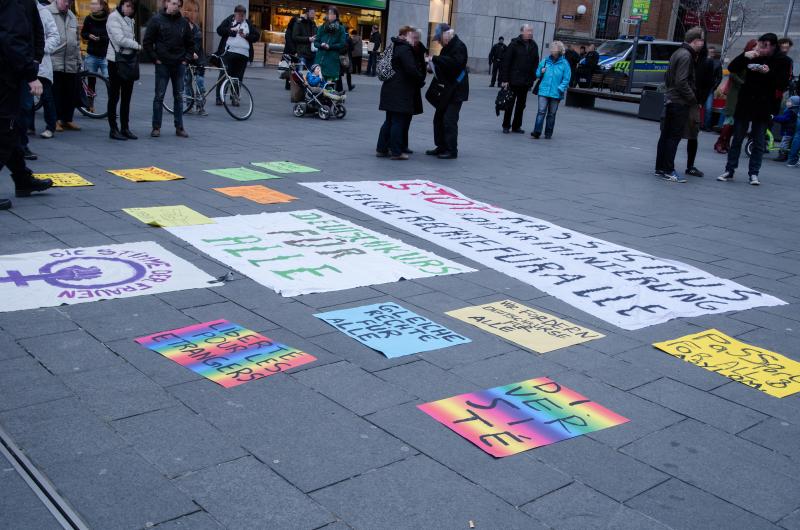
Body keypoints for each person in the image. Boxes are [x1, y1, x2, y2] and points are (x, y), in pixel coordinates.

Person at [718, 32, 791, 185]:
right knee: (737, 138)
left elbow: (783, 84)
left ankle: (754, 173)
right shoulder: (753, 55)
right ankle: (729, 170)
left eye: (763, 45)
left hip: (765, 105)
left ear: (771, 46)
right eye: (759, 44)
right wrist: (745, 55)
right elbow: (732, 68)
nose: (760, 48)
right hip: (746, 102)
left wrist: (768, 72)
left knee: (758, 141)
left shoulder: (782, 60)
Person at [0, 0, 52, 210]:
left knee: (14, 127)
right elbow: (12, 36)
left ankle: (22, 179)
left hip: (13, 70)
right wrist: (30, 73)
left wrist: (35, 59)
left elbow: (32, 28)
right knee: (6, 128)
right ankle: (22, 179)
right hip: (7, 73)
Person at [654, 27, 704, 183]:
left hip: (671, 99)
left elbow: (668, 77)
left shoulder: (677, 52)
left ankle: (660, 168)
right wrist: (692, 99)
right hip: (679, 101)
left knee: (666, 135)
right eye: (702, 40)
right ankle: (668, 169)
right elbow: (681, 81)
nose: (703, 43)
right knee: (673, 137)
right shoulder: (686, 55)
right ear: (695, 41)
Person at [143, 0, 193, 138]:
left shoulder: (183, 22)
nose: (174, 5)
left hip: (179, 64)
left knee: (178, 97)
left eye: (177, 3)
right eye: (172, 2)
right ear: (166, 4)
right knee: (159, 96)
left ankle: (179, 127)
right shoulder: (156, 20)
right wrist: (155, 59)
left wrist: (185, 60)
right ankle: (156, 127)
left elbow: (190, 43)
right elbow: (147, 42)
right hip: (163, 64)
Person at [376, 26, 425, 160]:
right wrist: (420, 79)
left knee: (389, 121)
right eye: (412, 36)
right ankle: (396, 152)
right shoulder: (404, 49)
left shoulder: (395, 46)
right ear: (404, 35)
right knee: (398, 122)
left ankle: (381, 149)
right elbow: (411, 69)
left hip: (390, 89)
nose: (414, 39)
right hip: (400, 91)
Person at [425, 24, 468, 159]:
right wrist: (432, 67)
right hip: (446, 89)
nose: (438, 42)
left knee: (449, 120)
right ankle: (441, 146)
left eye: (439, 39)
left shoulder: (459, 46)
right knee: (438, 118)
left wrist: (435, 59)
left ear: (446, 35)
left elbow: (455, 64)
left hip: (456, 90)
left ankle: (451, 150)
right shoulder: (447, 48)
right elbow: (444, 65)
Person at [714, 39, 757, 153]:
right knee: (730, 119)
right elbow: (732, 73)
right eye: (754, 47)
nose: (755, 50)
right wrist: (744, 84)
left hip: (745, 95)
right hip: (735, 93)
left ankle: (726, 142)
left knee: (735, 121)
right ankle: (720, 142)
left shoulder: (756, 60)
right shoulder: (742, 58)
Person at [106, 0, 140, 140]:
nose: (129, 9)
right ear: (121, 5)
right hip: (115, 61)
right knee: (114, 96)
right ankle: (113, 129)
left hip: (128, 61)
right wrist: (137, 45)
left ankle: (125, 128)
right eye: (127, 6)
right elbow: (119, 39)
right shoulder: (114, 17)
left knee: (127, 97)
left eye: (132, 7)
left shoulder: (129, 20)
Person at [214, 5, 259, 106]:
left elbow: (256, 36)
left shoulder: (248, 23)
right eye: (239, 15)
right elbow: (219, 30)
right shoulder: (229, 20)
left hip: (243, 55)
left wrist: (246, 36)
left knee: (238, 77)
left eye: (243, 16)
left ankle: (235, 97)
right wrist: (231, 30)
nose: (241, 18)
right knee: (224, 75)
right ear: (235, 14)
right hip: (228, 53)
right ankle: (219, 97)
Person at [499, 25, 538, 134]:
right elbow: (506, 62)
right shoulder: (514, 44)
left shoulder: (534, 45)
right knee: (509, 104)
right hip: (513, 80)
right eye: (528, 31)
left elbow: (536, 62)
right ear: (522, 32)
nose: (530, 33)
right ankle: (506, 125)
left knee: (521, 105)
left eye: (531, 31)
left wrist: (533, 76)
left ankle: (516, 126)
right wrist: (505, 79)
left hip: (525, 81)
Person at [49, 0, 81, 132]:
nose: (67, 4)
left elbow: (77, 40)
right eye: (65, 1)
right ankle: (55, 120)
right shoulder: (47, 13)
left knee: (70, 93)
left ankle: (67, 119)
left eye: (70, 1)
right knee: (55, 93)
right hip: (54, 59)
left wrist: (79, 59)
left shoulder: (72, 15)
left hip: (70, 60)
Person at [18, 0, 44, 160]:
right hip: (11, 65)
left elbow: (38, 29)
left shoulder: (28, 3)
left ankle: (22, 145)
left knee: (25, 106)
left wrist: (37, 57)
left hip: (25, 64)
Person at [531, 41, 571, 140]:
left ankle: (548, 133)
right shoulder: (545, 61)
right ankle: (537, 131)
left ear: (559, 51)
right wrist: (541, 71)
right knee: (541, 111)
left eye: (554, 49)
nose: (552, 50)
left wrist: (560, 88)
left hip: (556, 92)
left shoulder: (564, 63)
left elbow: (567, 78)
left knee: (551, 114)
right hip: (543, 91)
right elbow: (537, 74)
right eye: (552, 48)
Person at [33, 0, 60, 140]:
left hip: (42, 63)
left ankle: (50, 126)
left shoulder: (44, 12)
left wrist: (41, 49)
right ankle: (29, 126)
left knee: (47, 96)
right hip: (25, 62)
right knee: (26, 98)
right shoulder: (20, 10)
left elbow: (55, 36)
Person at [683, 45, 711, 178]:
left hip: (695, 101)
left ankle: (690, 165)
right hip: (683, 99)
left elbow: (708, 84)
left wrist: (700, 101)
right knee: (676, 133)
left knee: (693, 134)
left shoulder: (705, 63)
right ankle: (667, 163)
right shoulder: (686, 57)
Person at [403, 27, 426, 154]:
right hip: (408, 87)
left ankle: (404, 144)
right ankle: (401, 144)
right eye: (414, 37)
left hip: (414, 87)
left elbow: (421, 66)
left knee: (408, 117)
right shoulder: (408, 49)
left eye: (417, 38)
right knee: (404, 117)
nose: (415, 40)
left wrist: (422, 77)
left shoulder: (420, 49)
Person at [183, 0, 206, 115]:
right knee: (187, 83)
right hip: (187, 59)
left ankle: (200, 107)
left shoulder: (196, 27)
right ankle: (189, 106)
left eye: (197, 11)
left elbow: (198, 45)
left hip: (198, 60)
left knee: (200, 83)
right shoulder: (182, 25)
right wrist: (190, 52)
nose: (195, 14)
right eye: (192, 11)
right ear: (186, 11)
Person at [314, 7, 346, 84]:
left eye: (332, 13)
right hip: (320, 60)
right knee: (318, 84)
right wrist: (321, 45)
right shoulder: (322, 27)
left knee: (329, 87)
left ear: (336, 16)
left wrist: (330, 46)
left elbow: (342, 44)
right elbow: (316, 42)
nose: (330, 15)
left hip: (332, 61)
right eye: (328, 13)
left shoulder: (341, 28)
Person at [81, 0, 109, 81]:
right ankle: (91, 94)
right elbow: (83, 33)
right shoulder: (88, 18)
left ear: (101, 6)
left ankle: (112, 94)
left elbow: (111, 36)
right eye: (91, 4)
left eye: (94, 4)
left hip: (106, 55)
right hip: (92, 55)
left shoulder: (108, 18)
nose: (91, 6)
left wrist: (100, 38)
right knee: (91, 81)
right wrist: (89, 35)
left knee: (109, 81)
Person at [700, 45, 722, 130]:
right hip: (701, 88)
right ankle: (697, 124)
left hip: (710, 89)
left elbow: (719, 77)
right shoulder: (702, 61)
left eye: (713, 52)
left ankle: (707, 125)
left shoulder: (717, 63)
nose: (711, 53)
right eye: (710, 52)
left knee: (708, 108)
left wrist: (714, 86)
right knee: (698, 107)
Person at [773, 95, 799, 162]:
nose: (787, 102)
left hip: (788, 131)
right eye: (787, 101)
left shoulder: (791, 112)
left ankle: (782, 156)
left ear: (795, 104)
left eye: (789, 102)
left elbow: (783, 119)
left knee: (784, 143)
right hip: (789, 130)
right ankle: (785, 155)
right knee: (787, 143)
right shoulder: (793, 111)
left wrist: (774, 117)